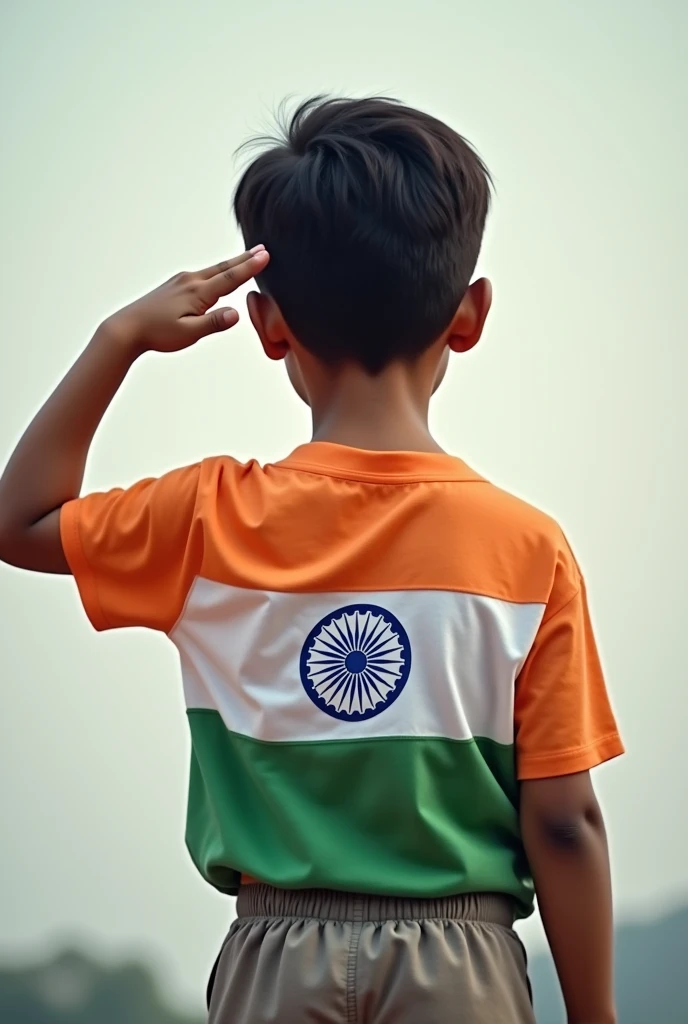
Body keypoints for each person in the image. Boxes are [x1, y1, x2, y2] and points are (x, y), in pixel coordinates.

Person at [0, 96, 623, 1024]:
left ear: (268, 325)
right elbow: (565, 822)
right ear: (470, 314)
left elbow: (20, 520)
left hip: (271, 954)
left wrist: (119, 338)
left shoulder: (209, 517)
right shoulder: (527, 549)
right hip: (465, 960)